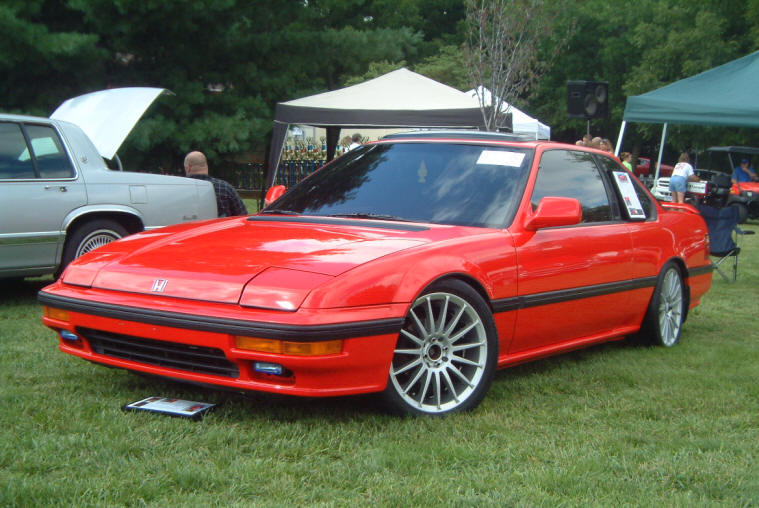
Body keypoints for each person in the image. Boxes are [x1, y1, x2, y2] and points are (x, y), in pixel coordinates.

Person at [184, 151, 247, 217]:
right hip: (220, 227)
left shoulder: (179, 189)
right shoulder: (225, 188)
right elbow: (242, 215)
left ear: (188, 168)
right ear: (206, 166)